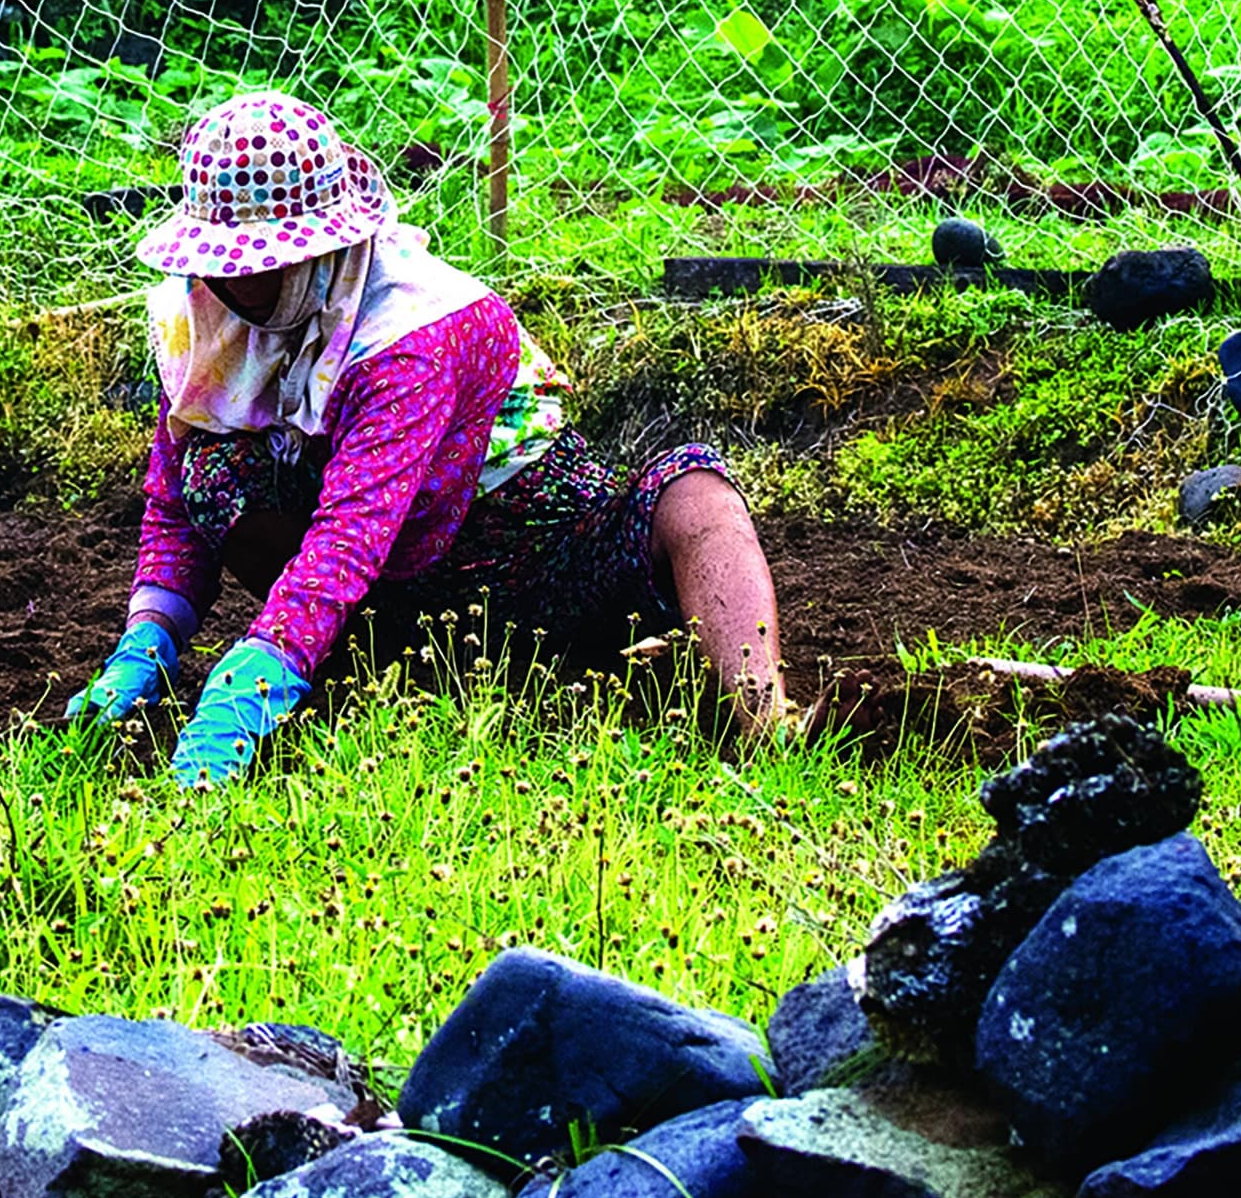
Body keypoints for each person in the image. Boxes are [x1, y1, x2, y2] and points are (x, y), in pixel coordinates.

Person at [66, 90, 792, 783]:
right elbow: (174, 496)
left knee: (694, 493)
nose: (237, 280)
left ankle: (762, 716)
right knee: (212, 470)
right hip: (394, 599)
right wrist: (149, 637)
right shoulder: (200, 312)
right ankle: (362, 669)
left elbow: (351, 532)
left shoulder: (413, 331)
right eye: (226, 259)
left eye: (261, 260)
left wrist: (265, 667)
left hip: (540, 560)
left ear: (321, 246)